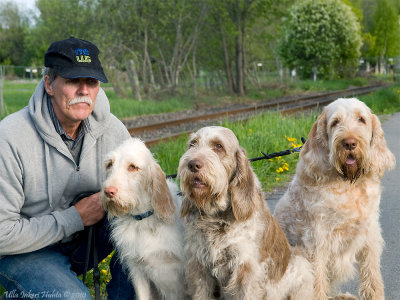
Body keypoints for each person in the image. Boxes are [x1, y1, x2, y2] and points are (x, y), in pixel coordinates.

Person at [0, 37, 136, 299]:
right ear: (49, 83)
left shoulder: (114, 130)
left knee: (149, 245)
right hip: (25, 250)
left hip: (88, 241)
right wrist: (75, 217)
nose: (84, 90)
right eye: (73, 80)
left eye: (92, 82)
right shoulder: (9, 138)